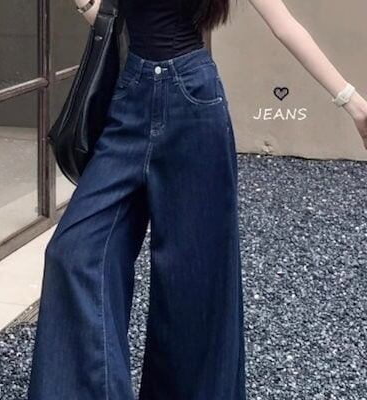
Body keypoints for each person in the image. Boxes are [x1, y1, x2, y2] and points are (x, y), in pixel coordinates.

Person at [27, 0, 367, 399]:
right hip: (130, 99)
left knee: (193, 281)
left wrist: (354, 103)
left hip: (192, 102)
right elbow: (117, 18)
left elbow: (284, 25)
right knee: (73, 252)